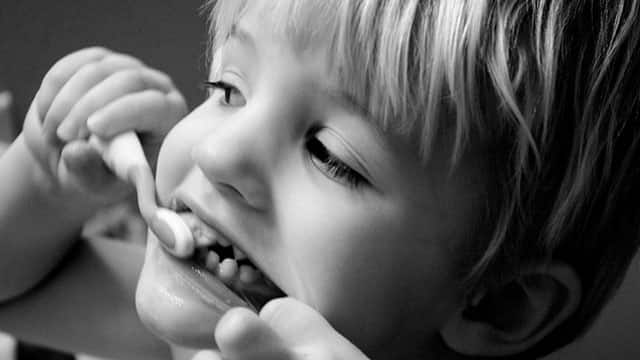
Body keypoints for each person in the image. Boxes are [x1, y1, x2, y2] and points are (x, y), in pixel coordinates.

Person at [2, 0, 640, 359]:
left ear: (498, 302)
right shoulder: (199, 338)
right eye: (227, 89)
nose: (220, 153)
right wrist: (45, 181)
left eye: (331, 156)